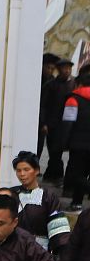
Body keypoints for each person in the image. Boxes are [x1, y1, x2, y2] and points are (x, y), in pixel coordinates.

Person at [57, 69, 90, 209]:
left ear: (79, 84)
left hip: (79, 145)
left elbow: (67, 123)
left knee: (77, 175)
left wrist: (62, 143)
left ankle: (77, 202)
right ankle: (77, 201)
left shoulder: (73, 99)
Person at [43, 59, 75, 182]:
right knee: (54, 150)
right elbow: (44, 105)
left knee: (59, 150)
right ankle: (54, 175)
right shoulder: (51, 85)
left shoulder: (74, 84)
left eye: (69, 68)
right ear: (59, 69)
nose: (67, 71)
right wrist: (44, 123)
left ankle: (53, 174)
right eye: (64, 68)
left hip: (68, 124)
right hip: (53, 123)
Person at [38, 51, 61, 158]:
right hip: (37, 117)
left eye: (52, 68)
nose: (50, 71)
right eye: (48, 67)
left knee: (40, 144)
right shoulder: (37, 79)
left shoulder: (52, 81)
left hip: (45, 118)